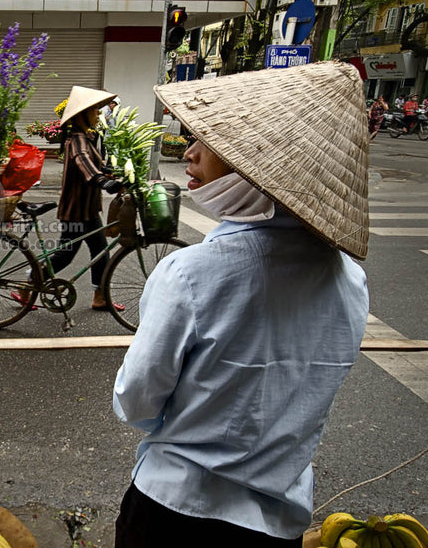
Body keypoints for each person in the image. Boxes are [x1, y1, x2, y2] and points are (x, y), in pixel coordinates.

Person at [113, 61, 370, 547]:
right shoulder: (349, 281)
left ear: (251, 162)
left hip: (174, 509)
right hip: (276, 523)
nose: (188, 154)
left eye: (205, 143)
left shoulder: (191, 274)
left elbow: (138, 399)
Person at [16, 86, 124, 311]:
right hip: (76, 210)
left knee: (100, 251)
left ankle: (100, 296)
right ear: (83, 114)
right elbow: (83, 163)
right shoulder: (76, 140)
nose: (99, 115)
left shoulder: (87, 137)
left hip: (88, 209)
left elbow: (95, 164)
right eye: (95, 111)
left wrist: (115, 172)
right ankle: (27, 286)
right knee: (65, 256)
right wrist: (102, 181)